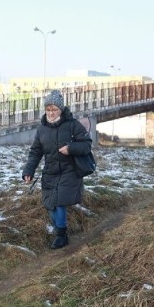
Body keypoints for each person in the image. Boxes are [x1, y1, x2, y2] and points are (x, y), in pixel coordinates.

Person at [21, 90, 92, 249]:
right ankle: (60, 228)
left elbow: (87, 144)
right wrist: (28, 171)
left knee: (59, 202)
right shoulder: (42, 129)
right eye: (48, 109)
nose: (51, 113)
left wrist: (71, 148)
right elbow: (35, 152)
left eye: (54, 109)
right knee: (49, 204)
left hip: (70, 171)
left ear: (61, 109)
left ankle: (61, 235)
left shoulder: (73, 125)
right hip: (50, 171)